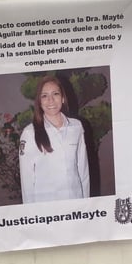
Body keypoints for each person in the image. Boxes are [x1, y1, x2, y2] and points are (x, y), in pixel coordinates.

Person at [19, 75, 90, 204]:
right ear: (39, 102)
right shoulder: (29, 133)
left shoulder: (76, 127)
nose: (50, 100)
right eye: (44, 96)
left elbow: (83, 170)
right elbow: (27, 180)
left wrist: (86, 204)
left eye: (55, 94)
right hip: (46, 206)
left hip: (75, 200)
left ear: (63, 98)